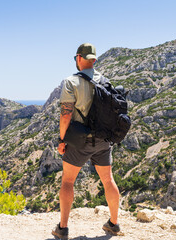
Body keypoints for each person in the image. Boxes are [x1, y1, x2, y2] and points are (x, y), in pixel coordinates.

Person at [52, 43, 123, 239]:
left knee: (67, 180)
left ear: (79, 58)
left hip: (80, 141)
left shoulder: (70, 82)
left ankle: (63, 228)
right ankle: (114, 223)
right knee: (108, 180)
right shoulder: (105, 81)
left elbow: (66, 115)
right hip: (103, 140)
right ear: (94, 60)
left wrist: (62, 139)